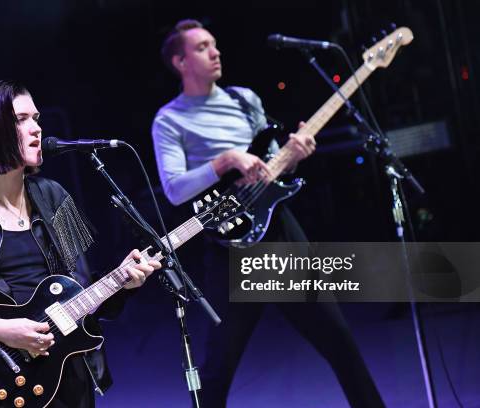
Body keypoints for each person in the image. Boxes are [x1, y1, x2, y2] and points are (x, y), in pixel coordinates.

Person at [152, 20, 385, 407]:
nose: (216, 51)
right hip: (231, 248)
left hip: (278, 231)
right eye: (202, 47)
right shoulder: (169, 120)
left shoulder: (245, 99)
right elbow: (175, 190)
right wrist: (227, 159)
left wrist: (293, 155)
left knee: (340, 342)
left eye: (215, 43)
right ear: (180, 61)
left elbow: (272, 162)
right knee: (217, 371)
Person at [0, 80, 161, 408]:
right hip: (1, 376)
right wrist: (1, 330)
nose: (36, 128)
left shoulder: (53, 196)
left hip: (69, 374)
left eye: (36, 118)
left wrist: (123, 283)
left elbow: (81, 292)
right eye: (21, 119)